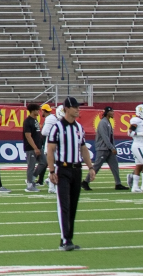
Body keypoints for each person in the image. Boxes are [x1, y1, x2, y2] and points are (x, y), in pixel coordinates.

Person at [45, 96, 94, 250]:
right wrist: (52, 170)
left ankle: (67, 239)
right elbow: (50, 150)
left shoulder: (79, 127)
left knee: (73, 206)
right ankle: (65, 239)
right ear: (66, 108)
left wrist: (91, 167)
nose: (78, 110)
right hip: (63, 169)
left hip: (76, 169)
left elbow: (83, 148)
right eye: (75, 107)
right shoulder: (57, 127)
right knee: (64, 205)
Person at [87, 105, 128, 191]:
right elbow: (105, 137)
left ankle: (118, 183)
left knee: (115, 165)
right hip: (103, 148)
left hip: (108, 148)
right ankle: (85, 182)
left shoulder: (108, 122)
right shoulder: (103, 122)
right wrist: (111, 147)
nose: (113, 113)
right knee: (97, 166)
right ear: (107, 112)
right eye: (111, 111)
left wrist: (111, 147)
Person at [24, 104, 47, 192]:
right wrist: (35, 148)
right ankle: (29, 185)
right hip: (31, 148)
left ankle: (32, 178)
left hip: (38, 146)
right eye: (37, 110)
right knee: (31, 166)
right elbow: (28, 136)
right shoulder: (27, 121)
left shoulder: (35, 120)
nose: (39, 111)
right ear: (33, 111)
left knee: (44, 162)